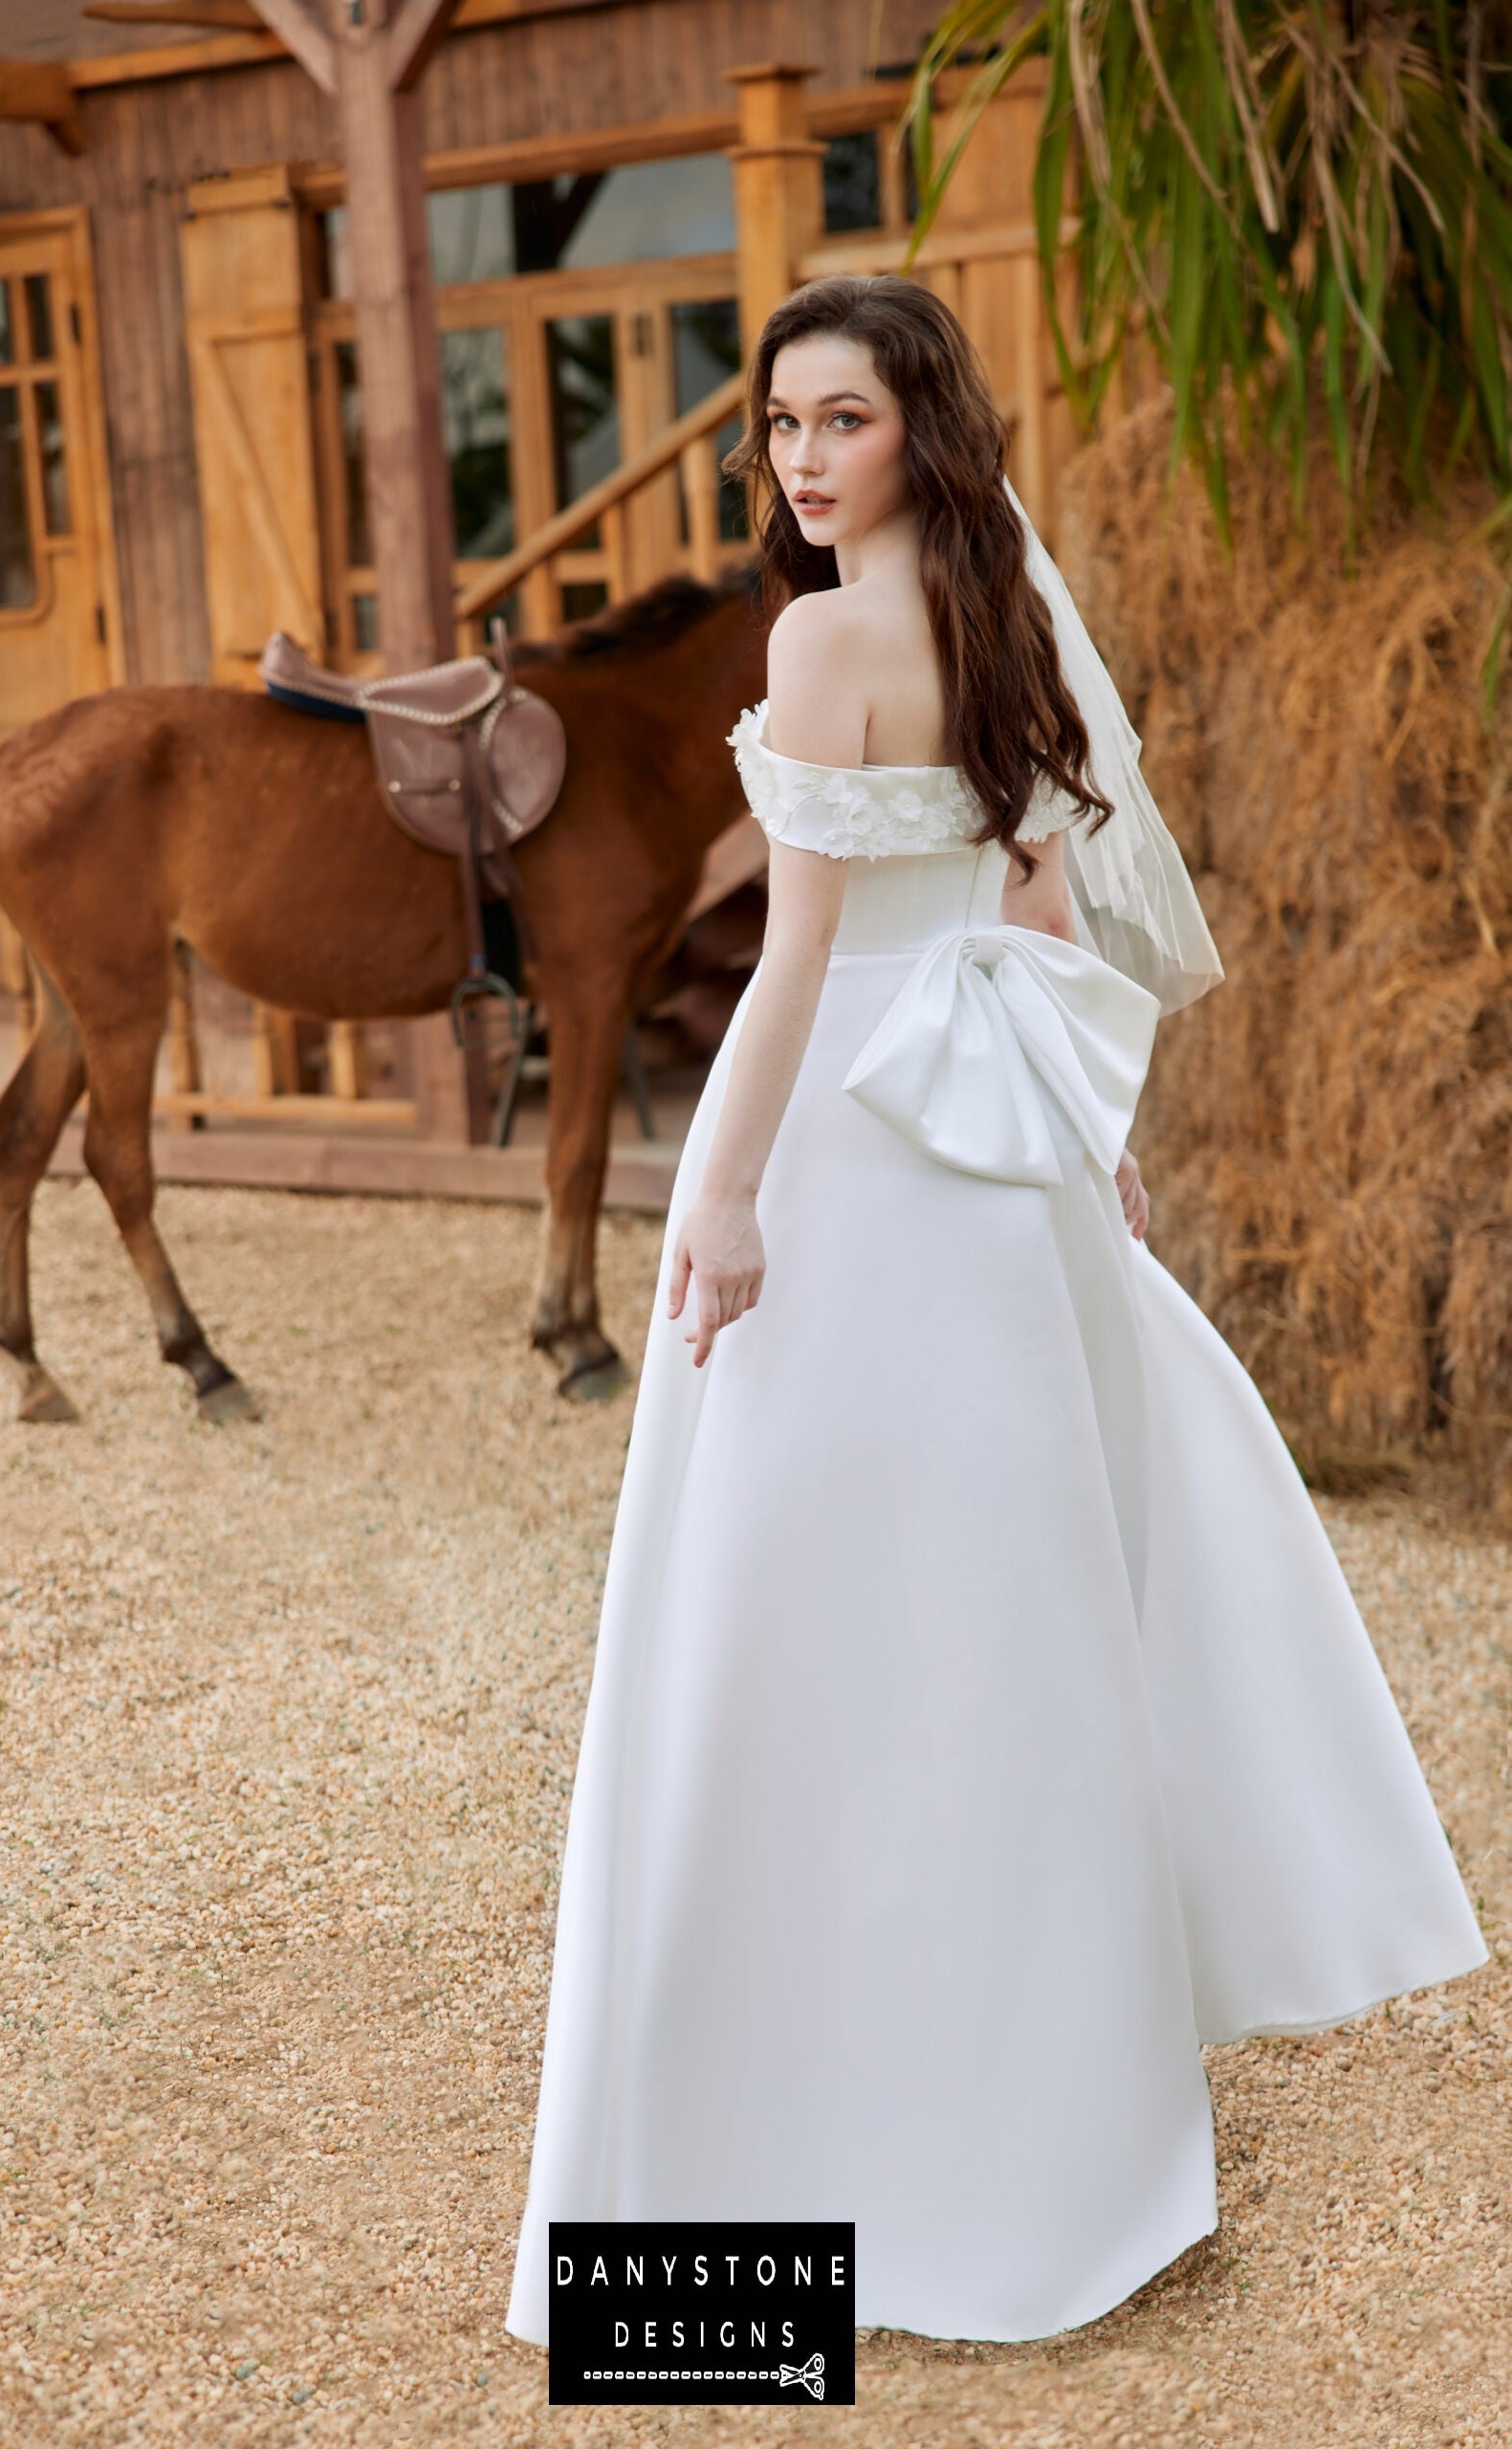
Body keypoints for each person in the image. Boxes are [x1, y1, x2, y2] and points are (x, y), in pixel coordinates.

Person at [503, 273, 1486, 2349]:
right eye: (774, 423)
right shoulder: (1001, 612)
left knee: (791, 1629)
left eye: (837, 420)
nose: (794, 457)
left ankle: (745, 2223)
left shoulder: (823, 630)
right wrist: (1087, 1143)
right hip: (1000, 1164)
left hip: (859, 1149)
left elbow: (793, 962)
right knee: (1002, 1619)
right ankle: (1052, 2163)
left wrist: (733, 1195)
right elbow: (1041, 903)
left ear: (914, 427)